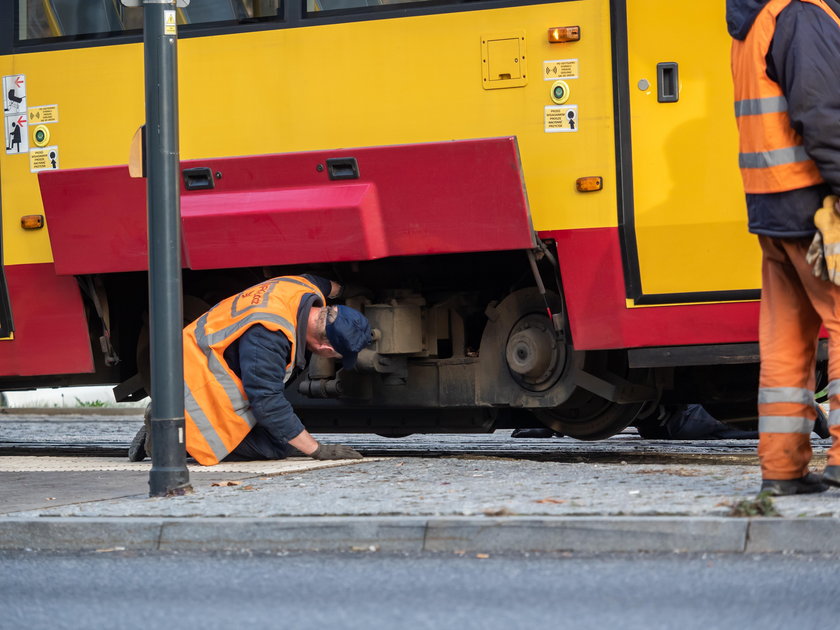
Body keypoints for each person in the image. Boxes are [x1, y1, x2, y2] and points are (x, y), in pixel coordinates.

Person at [728, 0, 840, 494]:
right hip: (812, 202)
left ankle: (783, 469)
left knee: (786, 339)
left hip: (772, 208)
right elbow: (823, 115)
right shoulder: (800, 13)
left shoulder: (756, 18)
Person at [129, 274, 372, 464]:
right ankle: (168, 437)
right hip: (192, 392)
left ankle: (168, 420)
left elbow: (326, 284)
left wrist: (348, 288)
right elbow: (267, 402)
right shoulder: (269, 337)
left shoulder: (301, 288)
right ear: (325, 347)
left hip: (186, 367)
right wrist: (318, 450)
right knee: (274, 446)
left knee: (288, 431)